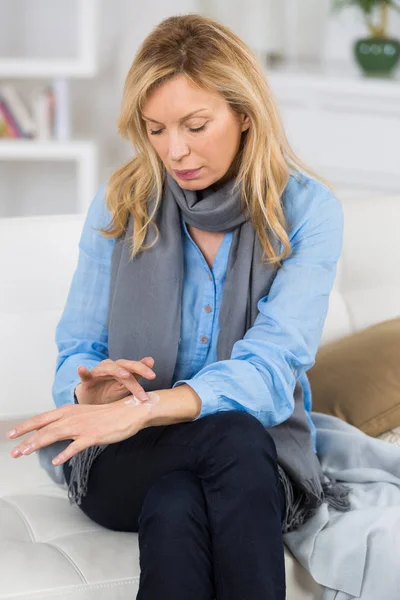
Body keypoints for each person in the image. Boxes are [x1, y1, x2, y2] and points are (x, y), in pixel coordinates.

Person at [7, 14, 346, 600]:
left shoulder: (308, 212)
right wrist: (88, 390)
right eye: (156, 129)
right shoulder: (121, 204)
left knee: (183, 494)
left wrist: (149, 408)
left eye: (195, 125)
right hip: (123, 459)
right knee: (233, 439)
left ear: (244, 113)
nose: (175, 150)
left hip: (245, 453)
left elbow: (271, 371)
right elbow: (78, 351)